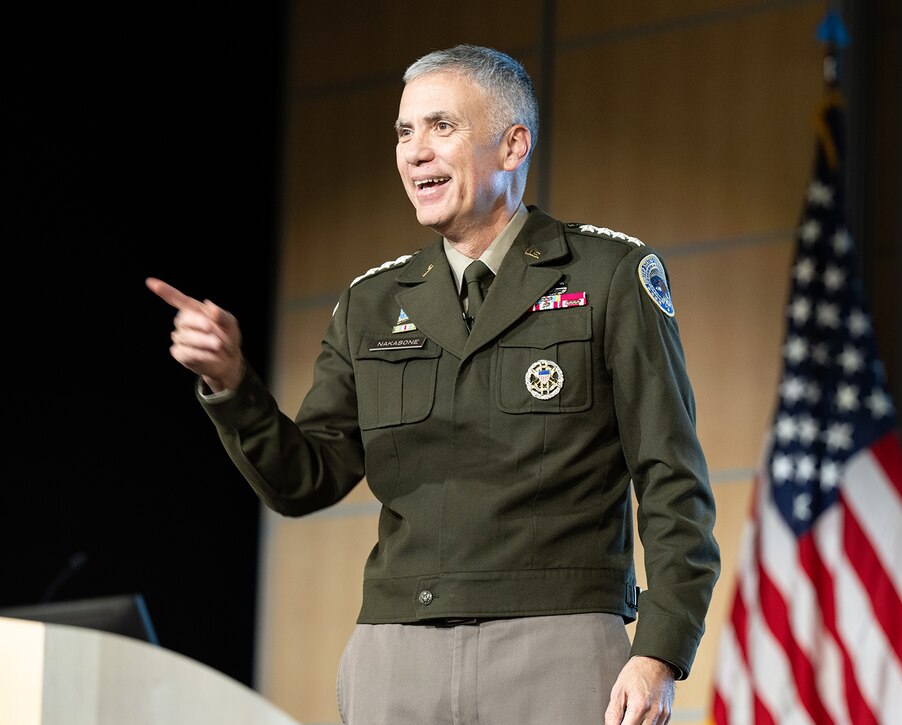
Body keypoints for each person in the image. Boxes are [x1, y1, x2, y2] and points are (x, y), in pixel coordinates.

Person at [147, 43, 719, 725]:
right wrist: (232, 383)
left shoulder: (609, 275)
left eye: (441, 126)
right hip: (396, 651)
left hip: (560, 640)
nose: (415, 151)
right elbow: (305, 478)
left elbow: (672, 482)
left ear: (513, 146)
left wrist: (660, 649)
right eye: (404, 131)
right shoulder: (372, 301)